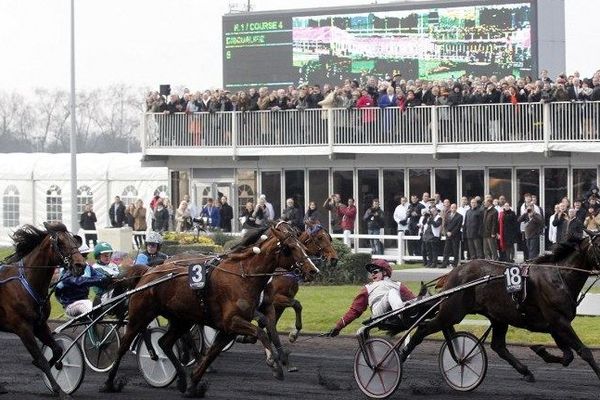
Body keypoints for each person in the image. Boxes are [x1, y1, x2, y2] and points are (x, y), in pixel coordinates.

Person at [326, 259, 416, 337]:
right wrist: (338, 326)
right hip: (380, 315)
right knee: (392, 293)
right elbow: (355, 310)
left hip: (395, 312)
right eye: (371, 273)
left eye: (375, 272)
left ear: (384, 272)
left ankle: (405, 314)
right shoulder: (368, 288)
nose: (372, 275)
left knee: (415, 300)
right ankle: (403, 315)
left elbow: (413, 300)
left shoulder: (398, 285)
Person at [55, 242, 112, 318]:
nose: (84, 259)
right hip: (70, 305)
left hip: (84, 301)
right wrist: (101, 280)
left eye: (86, 256)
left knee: (93, 305)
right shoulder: (67, 269)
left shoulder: (87, 267)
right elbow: (78, 281)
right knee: (88, 305)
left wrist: (109, 279)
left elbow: (99, 277)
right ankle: (95, 317)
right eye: (83, 255)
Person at [441, 203, 463, 268]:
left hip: (455, 236)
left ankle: (455, 264)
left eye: (454, 207)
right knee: (446, 250)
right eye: (452, 207)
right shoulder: (447, 215)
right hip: (448, 235)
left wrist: (452, 233)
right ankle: (444, 264)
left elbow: (458, 226)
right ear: (450, 208)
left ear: (456, 208)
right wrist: (447, 232)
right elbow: (445, 224)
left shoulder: (460, 216)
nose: (453, 209)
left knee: (455, 250)